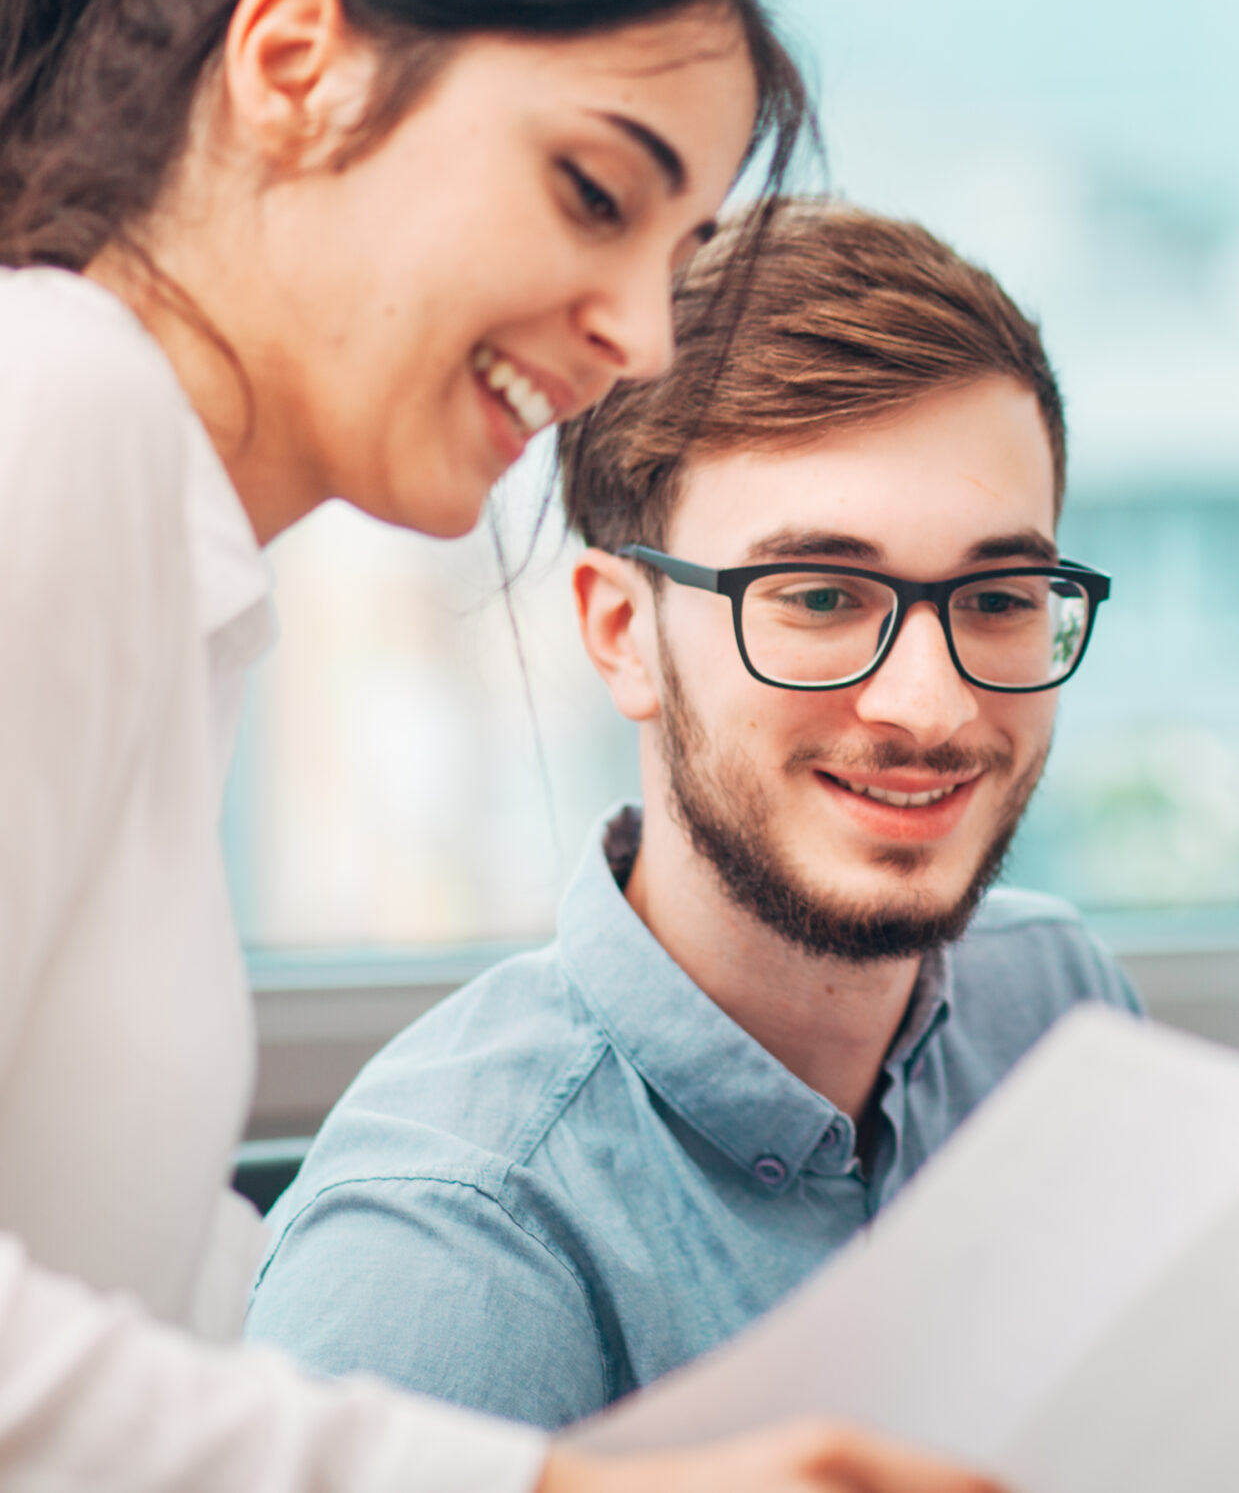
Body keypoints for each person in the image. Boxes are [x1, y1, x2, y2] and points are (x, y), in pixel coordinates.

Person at [0, 0, 1001, 1488]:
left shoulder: (192, 590)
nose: (630, 338)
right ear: (296, 62)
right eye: (591, 191)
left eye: (676, 256)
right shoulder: (56, 406)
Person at [244, 202, 1135, 1426]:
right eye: (820, 594)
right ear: (624, 636)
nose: (930, 706)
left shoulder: (1060, 1012)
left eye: (998, 596)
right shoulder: (450, 1247)